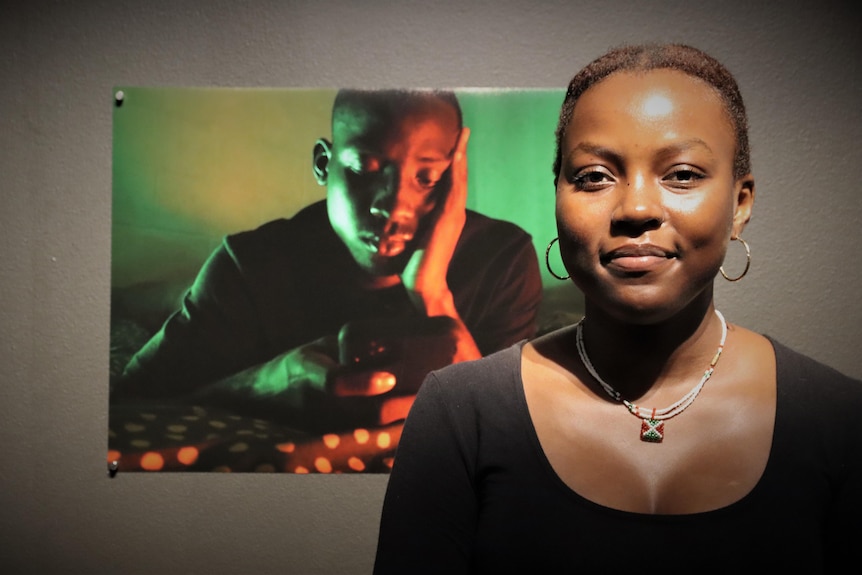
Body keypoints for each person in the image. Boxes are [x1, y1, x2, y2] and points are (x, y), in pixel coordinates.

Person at [374, 44, 862, 572]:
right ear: (557, 196)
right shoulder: (460, 412)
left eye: (681, 174)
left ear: (740, 204)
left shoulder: (840, 422)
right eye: (594, 177)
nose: (636, 209)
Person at [112, 89, 543, 435]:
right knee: (139, 301)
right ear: (324, 164)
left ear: (453, 177)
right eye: (365, 168)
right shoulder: (251, 265)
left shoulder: (502, 260)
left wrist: (432, 293)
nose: (393, 207)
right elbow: (129, 405)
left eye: (427, 179)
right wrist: (270, 382)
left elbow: (506, 432)